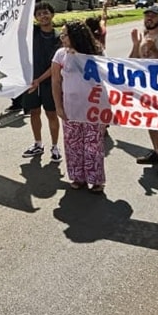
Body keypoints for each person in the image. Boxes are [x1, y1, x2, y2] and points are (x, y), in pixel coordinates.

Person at [51, 20, 107, 192]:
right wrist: (58, 107)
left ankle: (96, 179)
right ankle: (78, 177)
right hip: (70, 108)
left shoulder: (96, 53)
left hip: (93, 109)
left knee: (93, 145)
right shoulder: (60, 55)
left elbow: (105, 80)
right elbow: (56, 82)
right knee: (73, 144)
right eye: (61, 34)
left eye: (65, 34)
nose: (62, 37)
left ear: (76, 36)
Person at [130, 4, 158, 177]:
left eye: (153, 15)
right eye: (147, 15)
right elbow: (133, 61)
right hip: (145, 87)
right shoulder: (143, 37)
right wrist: (135, 44)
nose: (149, 18)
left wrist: (155, 50)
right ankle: (156, 151)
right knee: (150, 121)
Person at [22, 2, 62, 162]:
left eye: (46, 13)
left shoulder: (58, 37)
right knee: (34, 112)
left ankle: (55, 146)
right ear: (36, 18)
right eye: (39, 14)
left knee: (51, 114)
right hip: (31, 81)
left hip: (49, 81)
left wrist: (39, 80)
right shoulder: (33, 32)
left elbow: (56, 65)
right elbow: (20, 20)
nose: (43, 16)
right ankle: (38, 144)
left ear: (52, 14)